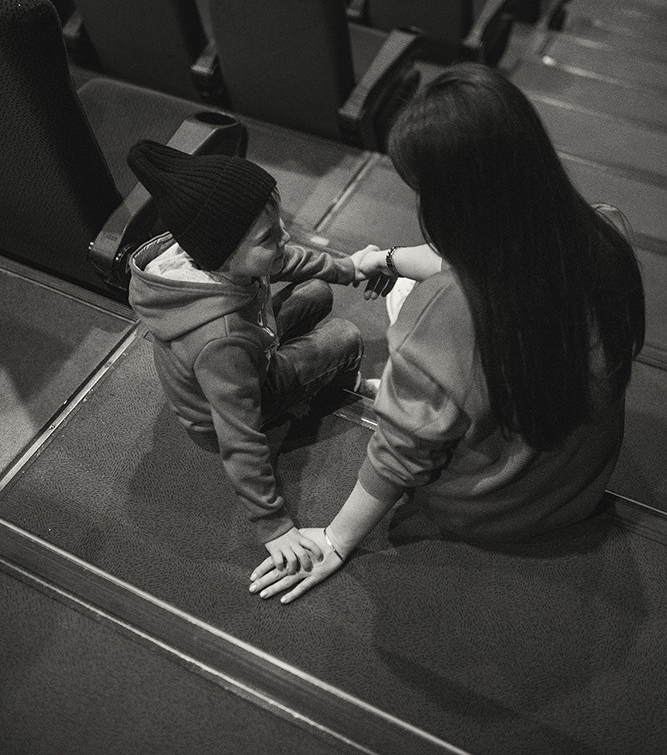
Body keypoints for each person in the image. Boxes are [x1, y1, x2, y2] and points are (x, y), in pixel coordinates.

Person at [249, 61, 646, 603]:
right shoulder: (607, 229)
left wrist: (337, 540)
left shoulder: (446, 317)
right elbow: (495, 260)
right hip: (579, 485)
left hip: (492, 507)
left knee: (408, 319)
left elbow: (400, 453)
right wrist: (385, 257)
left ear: (453, 201)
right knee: (408, 296)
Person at [126, 140, 379, 576]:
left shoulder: (212, 255)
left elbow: (285, 258)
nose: (283, 238)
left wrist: (349, 267)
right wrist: (274, 526)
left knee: (316, 289)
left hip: (249, 339)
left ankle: (315, 364)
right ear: (223, 254)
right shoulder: (219, 343)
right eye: (269, 236)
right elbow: (238, 435)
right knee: (345, 336)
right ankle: (347, 385)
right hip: (227, 400)